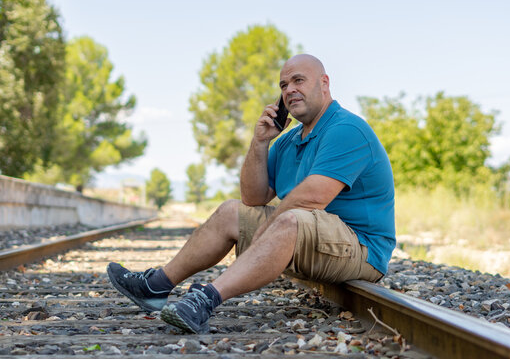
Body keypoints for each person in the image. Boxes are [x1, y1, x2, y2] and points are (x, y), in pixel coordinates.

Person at [107, 54, 395, 334]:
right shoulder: (289, 141)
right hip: (317, 238)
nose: (289, 90)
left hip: (361, 249)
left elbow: (313, 197)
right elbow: (253, 198)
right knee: (232, 211)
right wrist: (260, 142)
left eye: (298, 80)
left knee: (290, 218)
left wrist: (269, 229)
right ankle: (156, 286)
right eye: (284, 85)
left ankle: (205, 300)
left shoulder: (346, 129)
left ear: (324, 83)